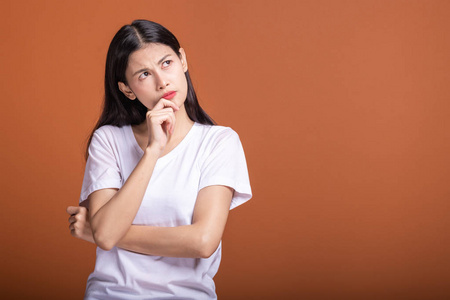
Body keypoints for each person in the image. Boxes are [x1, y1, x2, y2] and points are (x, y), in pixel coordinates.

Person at [66, 19, 252, 299]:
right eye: (143, 74)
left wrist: (100, 232)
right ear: (127, 89)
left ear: (183, 60)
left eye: (166, 63)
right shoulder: (108, 140)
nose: (162, 81)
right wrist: (152, 151)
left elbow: (203, 241)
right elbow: (106, 235)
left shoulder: (218, 142)